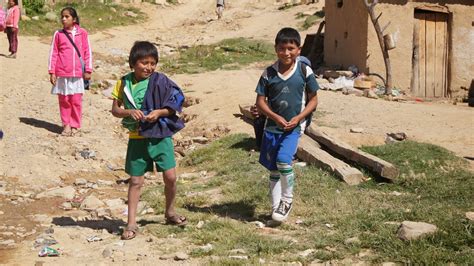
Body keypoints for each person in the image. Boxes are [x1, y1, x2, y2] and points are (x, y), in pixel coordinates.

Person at [111, 41, 187, 240]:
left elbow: (175, 103)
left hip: (160, 135)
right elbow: (115, 110)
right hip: (137, 138)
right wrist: (129, 112)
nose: (149, 67)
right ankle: (131, 223)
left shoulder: (161, 81)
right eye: (144, 63)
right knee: (136, 181)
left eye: (153, 63)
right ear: (133, 63)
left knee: (170, 177)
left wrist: (159, 112)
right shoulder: (123, 83)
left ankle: (170, 212)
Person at [255, 27, 319, 222]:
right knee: (273, 169)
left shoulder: (304, 70)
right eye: (282, 48)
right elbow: (260, 102)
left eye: (291, 48)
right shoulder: (268, 74)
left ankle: (287, 200)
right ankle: (276, 209)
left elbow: (313, 100)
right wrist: (274, 117)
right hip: (272, 128)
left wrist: (299, 118)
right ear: (276, 49)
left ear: (298, 50)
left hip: (293, 128)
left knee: (284, 160)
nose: (286, 53)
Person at [48, 7, 92, 136]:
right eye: (62, 16)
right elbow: (53, 53)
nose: (63, 19)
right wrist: (52, 72)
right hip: (62, 73)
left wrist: (88, 69)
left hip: (78, 74)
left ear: (74, 19)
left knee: (76, 101)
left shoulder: (82, 33)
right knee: (64, 100)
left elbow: (87, 51)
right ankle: (66, 125)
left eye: (67, 16)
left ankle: (75, 125)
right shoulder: (58, 34)